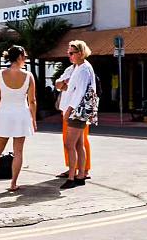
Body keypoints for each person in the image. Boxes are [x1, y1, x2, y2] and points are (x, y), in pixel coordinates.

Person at [0, 45, 36, 192]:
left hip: (3, 114)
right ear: (20, 57)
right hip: (21, 115)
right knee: (18, 152)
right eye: (25, 56)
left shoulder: (0, 74)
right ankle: (13, 184)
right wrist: (33, 119)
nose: (26, 59)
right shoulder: (28, 76)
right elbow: (32, 101)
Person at [55, 40, 96, 189]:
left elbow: (79, 92)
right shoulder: (78, 68)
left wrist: (69, 110)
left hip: (77, 112)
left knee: (70, 144)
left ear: (80, 53)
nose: (69, 55)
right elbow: (60, 84)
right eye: (69, 53)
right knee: (77, 144)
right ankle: (79, 176)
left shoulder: (84, 69)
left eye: (72, 53)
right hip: (76, 111)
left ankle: (73, 176)